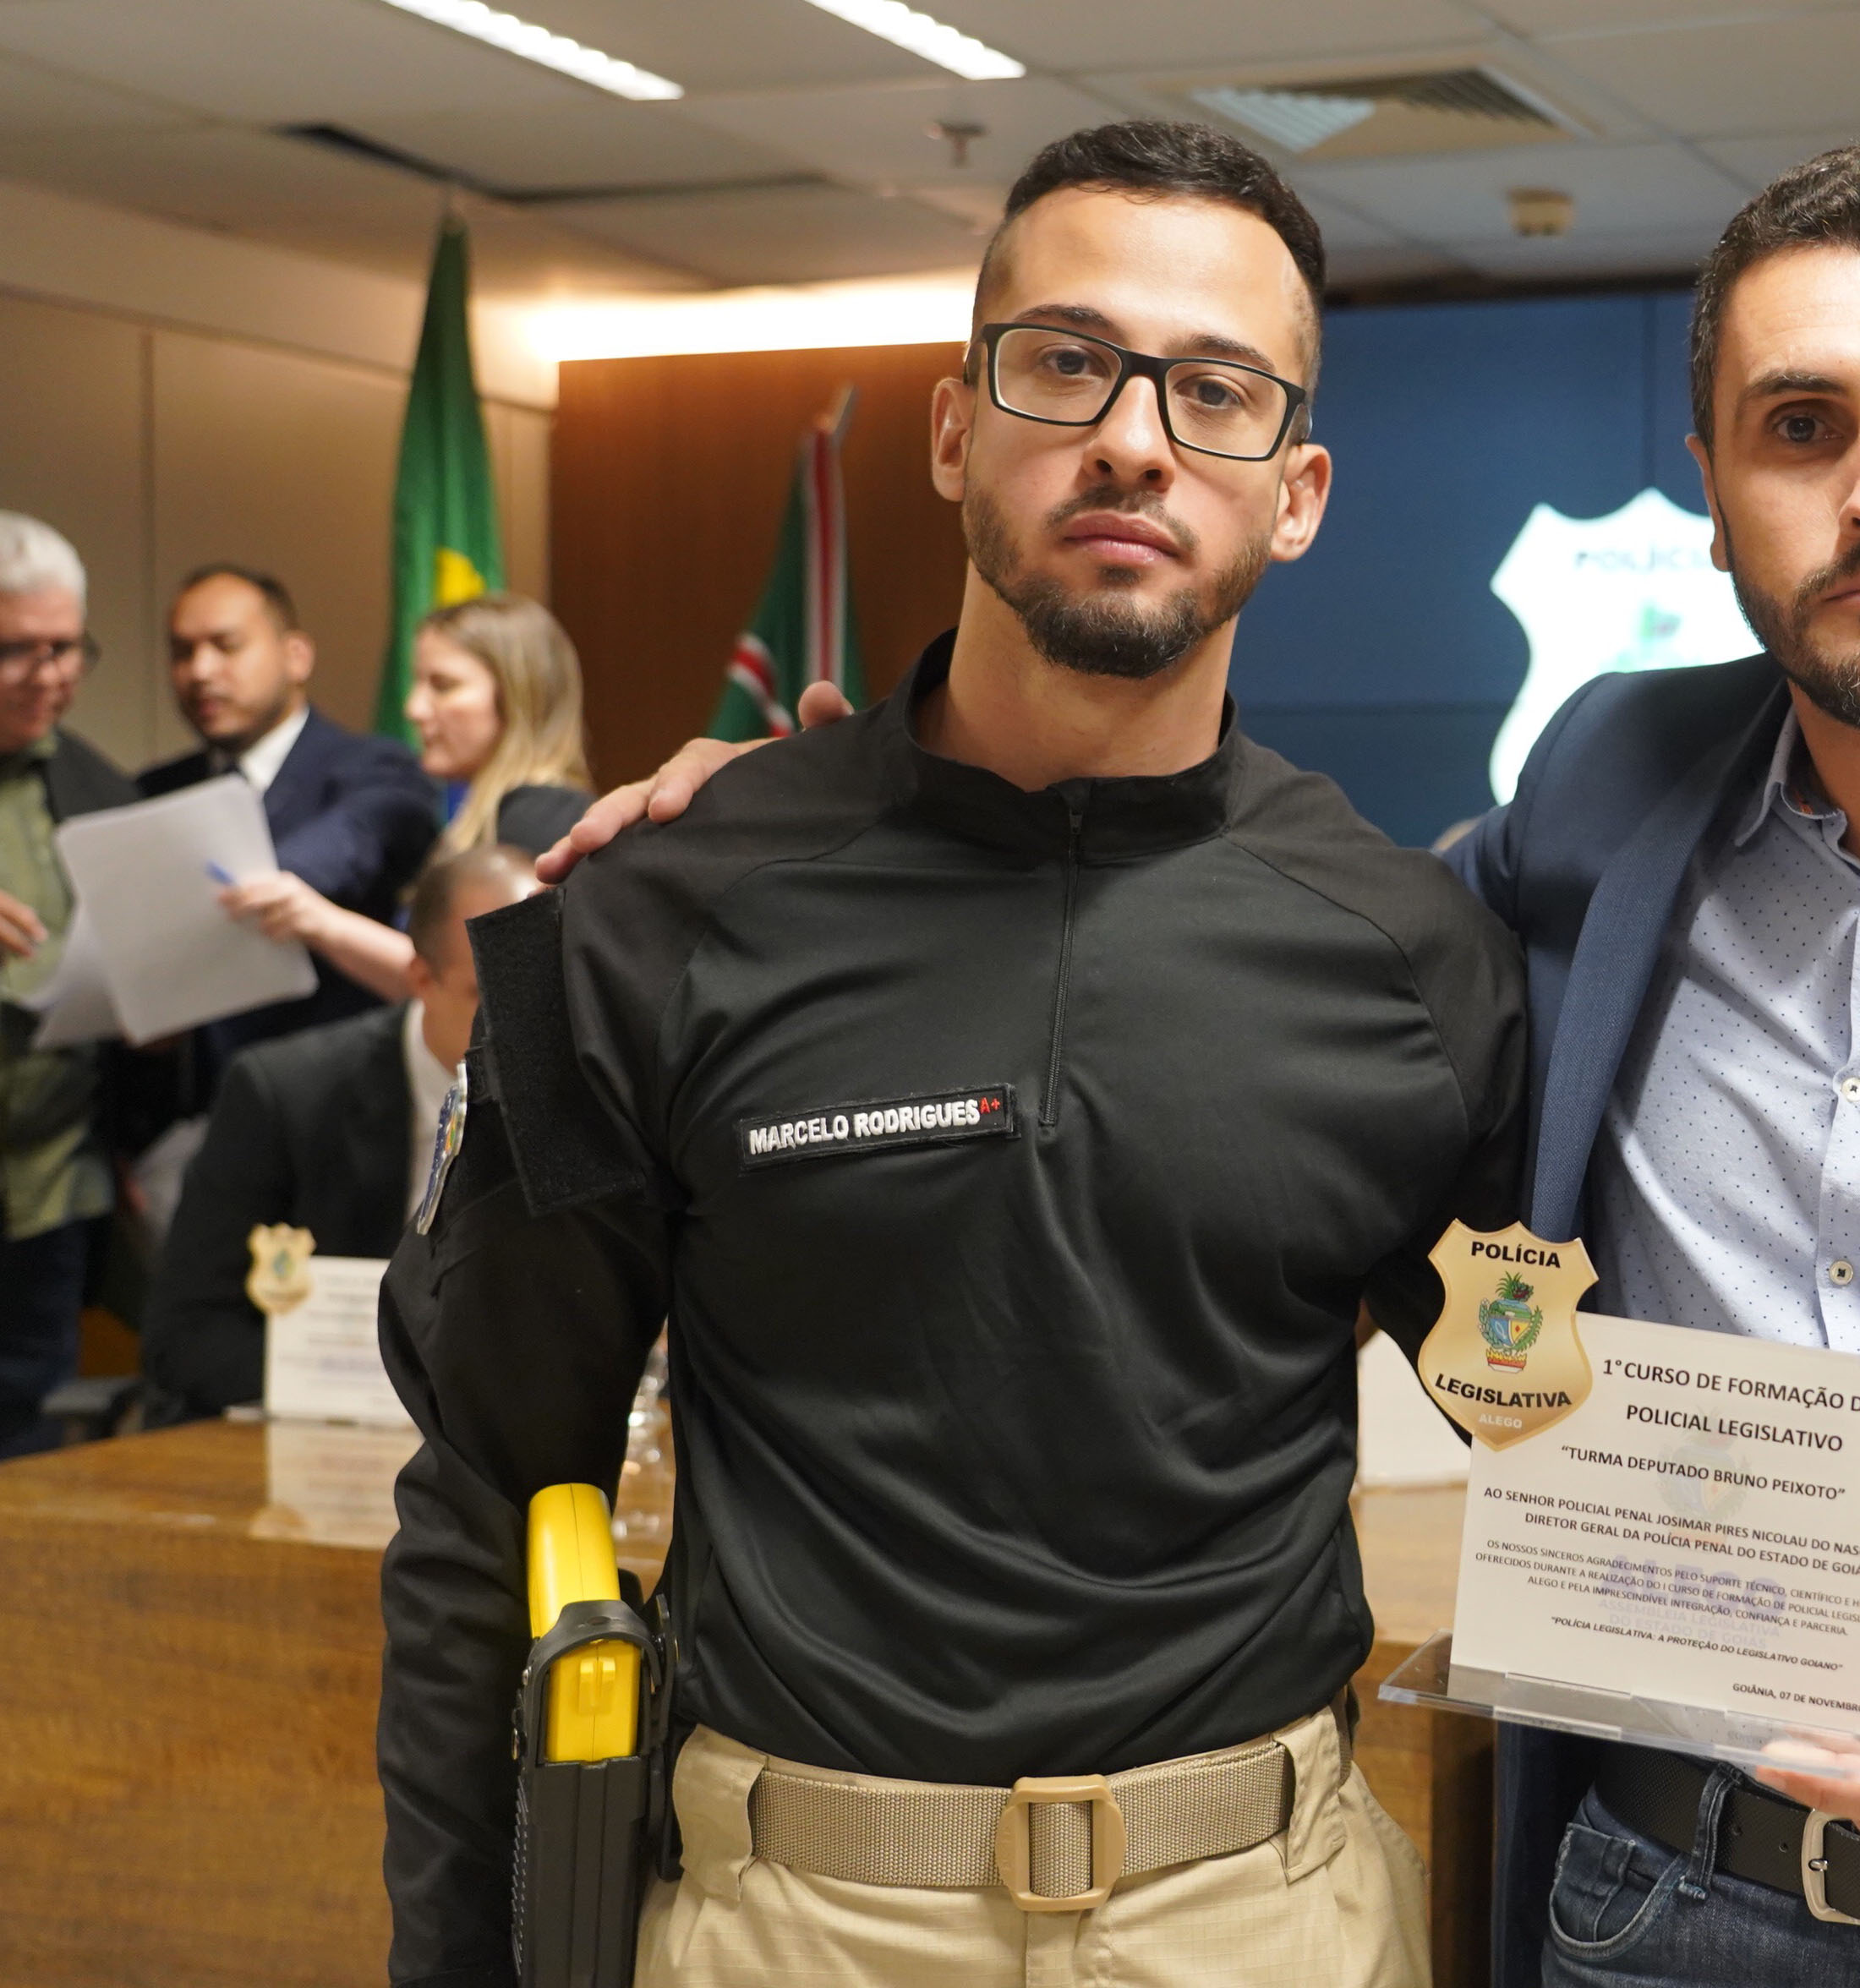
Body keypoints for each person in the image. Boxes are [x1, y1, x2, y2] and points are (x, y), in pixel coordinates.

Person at [588, 144, 1860, 1986]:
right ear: (1714, 494)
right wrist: (831, 817)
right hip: (1664, 1909)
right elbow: (1225, 946)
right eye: (1800, 427)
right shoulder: (1604, 800)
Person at [377, 121, 1522, 1988]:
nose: (1134, 439)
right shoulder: (648, 918)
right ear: (951, 429)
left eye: (1216, 391)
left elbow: (1551, 1421)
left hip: (1264, 1918)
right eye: (1065, 362)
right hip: (794, 1919)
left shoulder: (1418, 960)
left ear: (1298, 491)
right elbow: (486, 1503)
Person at [140, 844, 536, 1424]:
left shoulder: (585, 1098)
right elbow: (185, 1336)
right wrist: (354, 1383)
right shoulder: (287, 1094)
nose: (527, 1025)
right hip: (308, 1439)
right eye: (491, 996)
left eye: (542, 994)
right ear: (421, 979)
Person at [216, 593, 593, 1004]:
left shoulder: (541, 817)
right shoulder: (486, 815)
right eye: (417, 683)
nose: (413, 708)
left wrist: (320, 921)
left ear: (519, 697)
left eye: (443, 686)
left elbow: (475, 990)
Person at [140, 565, 438, 1062]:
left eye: (227, 646)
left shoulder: (377, 770)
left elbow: (345, 846)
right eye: (182, 652)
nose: (201, 671)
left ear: (296, 656)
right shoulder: (154, 791)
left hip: (330, 1081)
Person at [0, 512, 138, 1457]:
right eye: (19, 650)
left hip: (47, 1187)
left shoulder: (102, 788)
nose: (50, 675)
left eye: (67, 649)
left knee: (28, 1449)